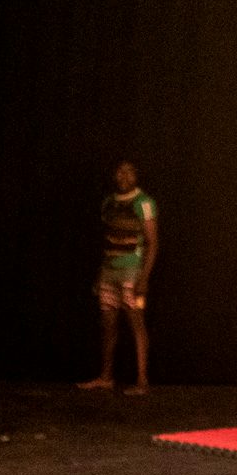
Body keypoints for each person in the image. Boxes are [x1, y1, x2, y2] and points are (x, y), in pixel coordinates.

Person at [79, 161, 157, 394]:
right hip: (109, 270)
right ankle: (106, 377)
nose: (123, 175)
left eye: (129, 171)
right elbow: (107, 240)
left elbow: (153, 243)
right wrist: (100, 273)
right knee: (108, 324)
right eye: (119, 171)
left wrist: (144, 277)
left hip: (132, 270)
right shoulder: (109, 203)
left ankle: (142, 380)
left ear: (136, 175)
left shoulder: (144, 203)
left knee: (135, 322)